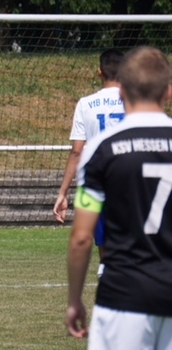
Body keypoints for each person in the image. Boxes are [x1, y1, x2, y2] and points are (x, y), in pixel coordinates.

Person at [65, 46, 172, 348]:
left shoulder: (101, 150)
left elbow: (81, 238)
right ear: (168, 91)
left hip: (123, 296)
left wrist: (74, 299)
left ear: (122, 90)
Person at [53, 49, 124, 277]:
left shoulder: (86, 104)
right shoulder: (137, 101)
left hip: (99, 183)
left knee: (105, 250)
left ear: (99, 72)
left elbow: (77, 152)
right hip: (132, 181)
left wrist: (63, 193)